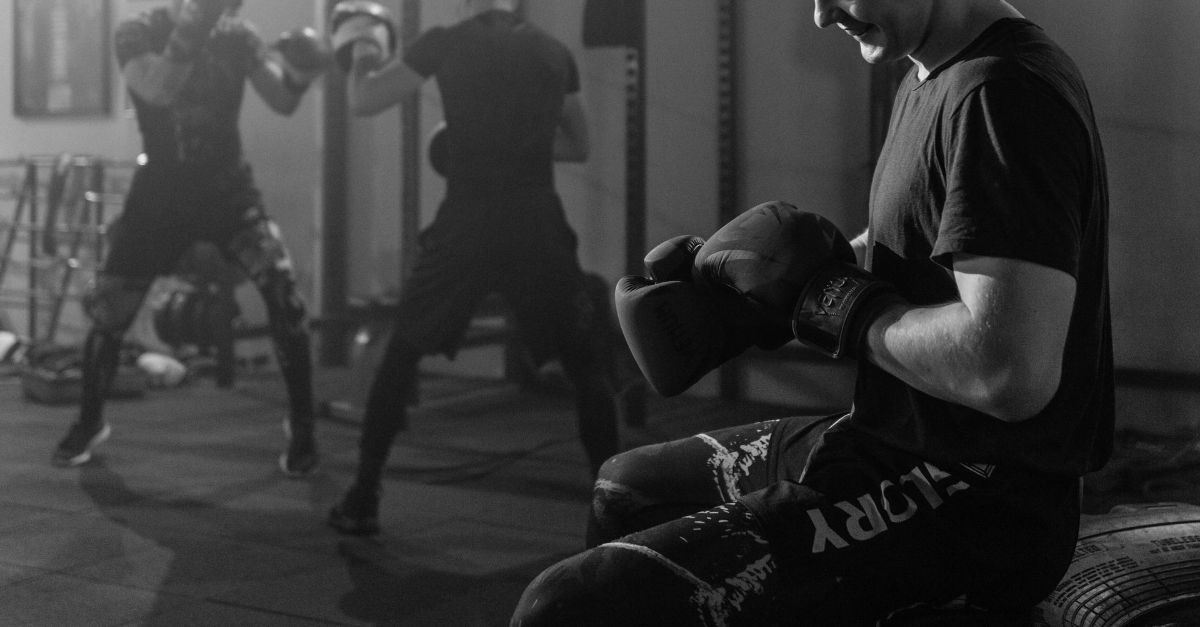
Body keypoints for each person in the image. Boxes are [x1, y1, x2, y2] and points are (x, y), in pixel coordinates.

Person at [511, 0, 1112, 624]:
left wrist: (829, 300)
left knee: (564, 606)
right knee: (627, 487)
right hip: (893, 436)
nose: (824, 15)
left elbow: (1008, 372)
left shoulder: (1002, 93)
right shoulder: (933, 74)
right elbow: (914, 242)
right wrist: (756, 292)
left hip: (981, 496)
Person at [325, 0, 622, 536]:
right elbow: (578, 145)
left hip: (468, 220)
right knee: (587, 366)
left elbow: (365, 100)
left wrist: (362, 49)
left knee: (403, 352)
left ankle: (363, 496)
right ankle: (620, 516)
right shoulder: (554, 53)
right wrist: (519, 141)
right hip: (535, 219)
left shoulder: (444, 42)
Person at [51, 0, 327, 478]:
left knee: (284, 296)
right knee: (111, 312)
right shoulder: (138, 32)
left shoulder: (239, 37)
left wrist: (303, 72)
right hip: (160, 193)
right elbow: (157, 90)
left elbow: (281, 101)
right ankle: (90, 420)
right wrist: (193, 28)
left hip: (226, 187)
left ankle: (303, 427)